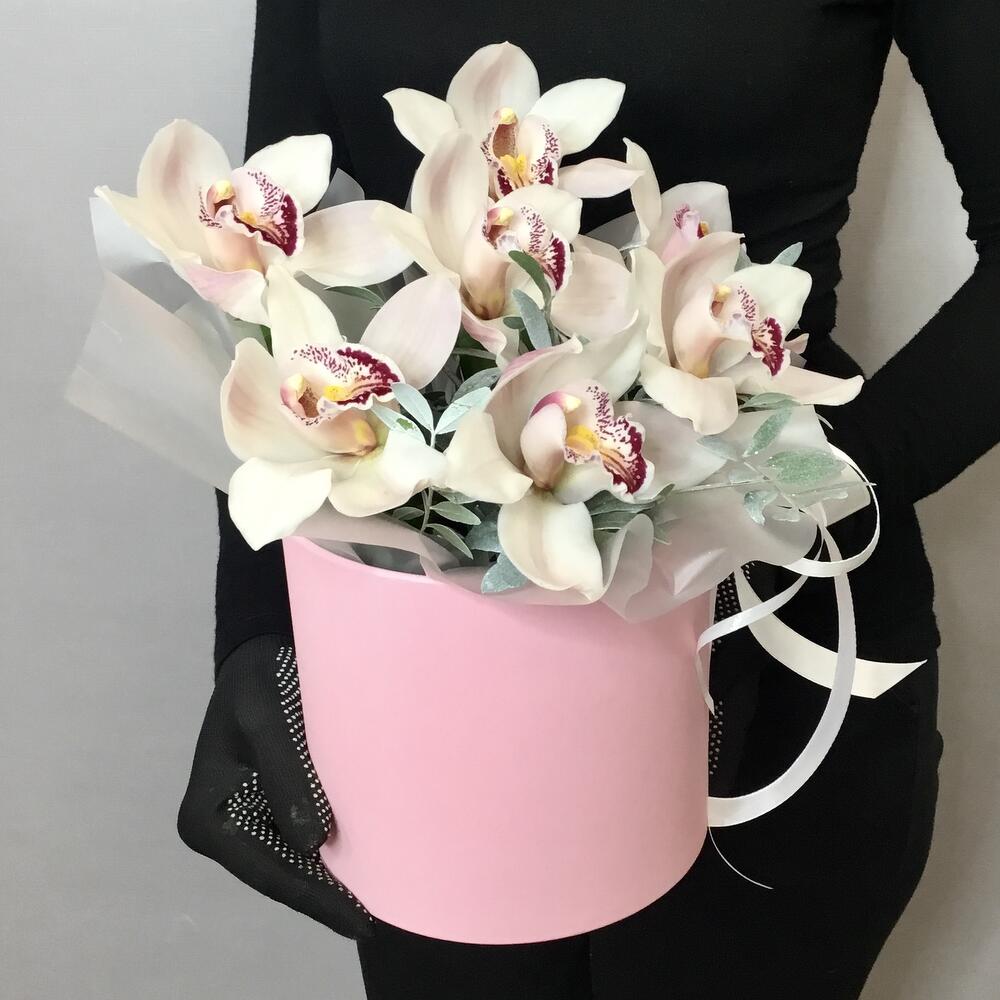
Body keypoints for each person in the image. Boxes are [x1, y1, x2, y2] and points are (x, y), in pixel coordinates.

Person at [177, 1, 998, 996]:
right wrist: (256, 630)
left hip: (775, 621)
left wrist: (770, 506)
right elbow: (270, 279)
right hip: (423, 658)